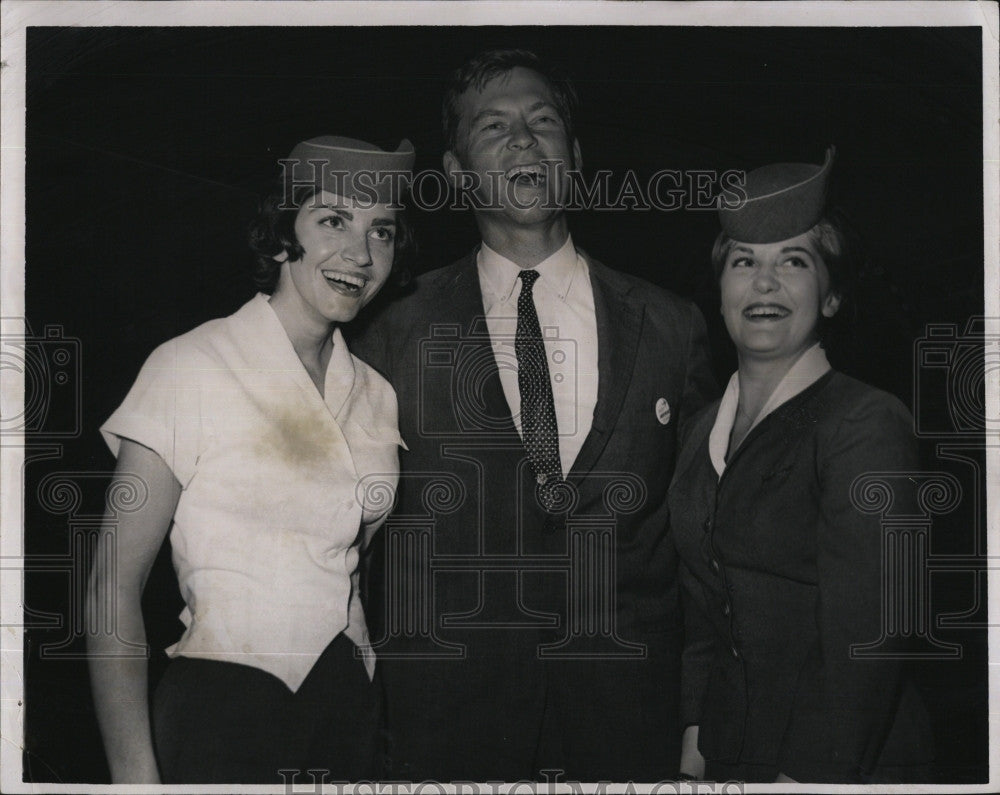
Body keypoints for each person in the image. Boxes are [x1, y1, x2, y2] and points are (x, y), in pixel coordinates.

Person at [352, 49, 715, 781]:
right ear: (456, 173)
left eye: (543, 121)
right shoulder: (389, 329)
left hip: (629, 722)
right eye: (495, 127)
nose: (524, 139)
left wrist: (699, 714)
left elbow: (704, 542)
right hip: (445, 725)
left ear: (574, 158)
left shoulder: (674, 327)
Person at [85, 135, 414, 783]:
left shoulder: (376, 395)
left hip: (349, 713)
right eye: (332, 220)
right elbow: (110, 589)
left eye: (382, 231)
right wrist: (133, 778)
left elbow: (348, 566)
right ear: (277, 235)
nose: (360, 252)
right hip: (225, 708)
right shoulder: (194, 365)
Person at [670, 148, 933, 783]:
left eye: (794, 261)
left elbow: (868, 638)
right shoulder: (702, 430)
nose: (764, 284)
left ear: (833, 294)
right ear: (723, 289)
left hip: (836, 763)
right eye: (743, 263)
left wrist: (803, 778)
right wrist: (694, 745)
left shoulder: (864, 423)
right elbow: (707, 614)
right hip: (733, 756)